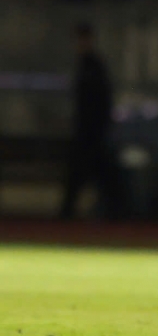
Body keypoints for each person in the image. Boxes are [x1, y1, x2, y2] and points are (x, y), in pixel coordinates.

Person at [59, 23, 116, 220]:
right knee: (97, 174)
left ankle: (68, 212)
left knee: (88, 172)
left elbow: (100, 101)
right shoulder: (85, 64)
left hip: (91, 131)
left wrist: (97, 127)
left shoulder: (93, 66)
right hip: (88, 130)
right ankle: (112, 210)